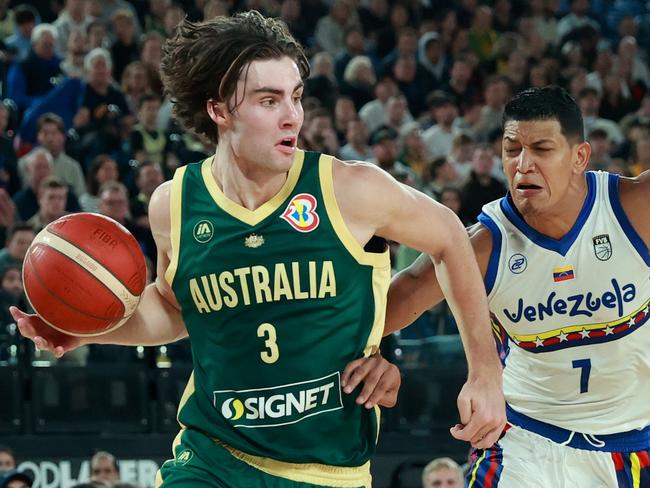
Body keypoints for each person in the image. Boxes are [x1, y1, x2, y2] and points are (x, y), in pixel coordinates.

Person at [12, 11, 503, 487]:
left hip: (326, 467)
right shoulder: (174, 204)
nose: (293, 116)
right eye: (269, 101)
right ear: (219, 110)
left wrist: (484, 373)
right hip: (212, 455)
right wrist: (90, 325)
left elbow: (451, 238)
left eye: (296, 97)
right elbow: (174, 309)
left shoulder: (349, 190)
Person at [386, 86, 650, 486]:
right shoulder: (482, 246)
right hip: (527, 438)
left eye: (542, 149)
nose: (523, 165)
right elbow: (395, 300)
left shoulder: (634, 208)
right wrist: (362, 349)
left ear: (579, 157)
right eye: (512, 150)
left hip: (635, 438)